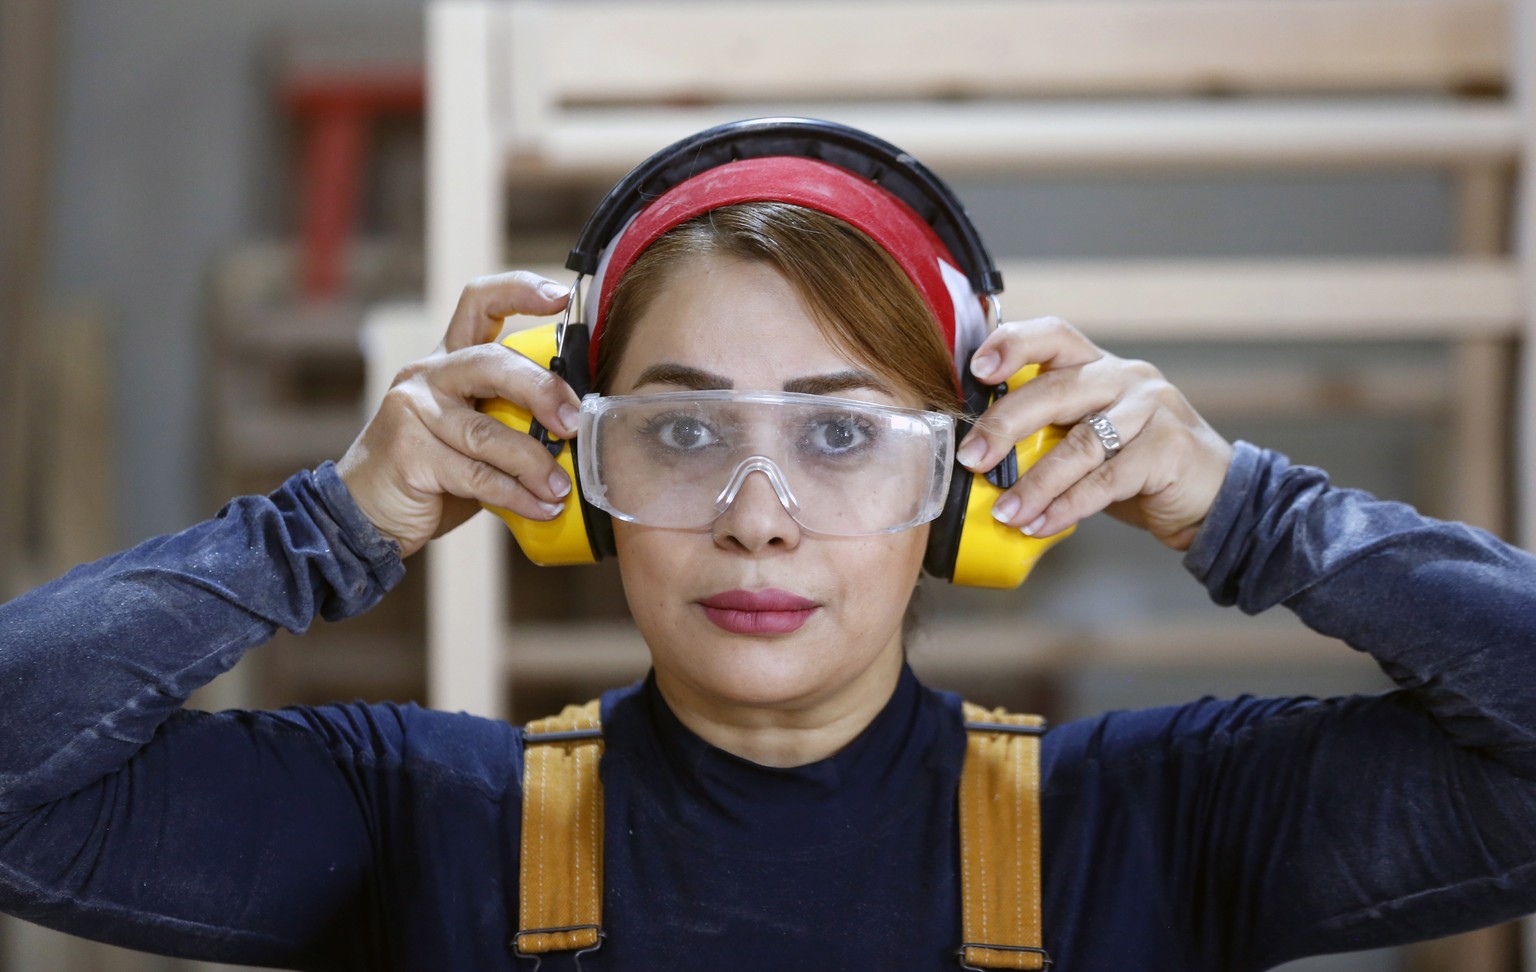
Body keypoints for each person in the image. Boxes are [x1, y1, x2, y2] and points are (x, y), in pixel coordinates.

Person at [2, 117, 1534, 972]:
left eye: (843, 431)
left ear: (972, 488)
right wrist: (321, 531)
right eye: (677, 430)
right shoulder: (425, 828)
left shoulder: (1148, 830)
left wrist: (1255, 510)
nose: (755, 509)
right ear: (578, 475)